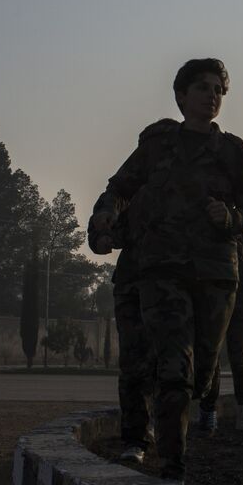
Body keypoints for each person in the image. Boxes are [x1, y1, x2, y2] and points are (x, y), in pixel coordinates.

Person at [94, 58, 243, 481]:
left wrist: (229, 217)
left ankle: (193, 403)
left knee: (202, 372)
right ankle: (168, 460)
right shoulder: (157, 145)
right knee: (171, 364)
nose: (212, 96)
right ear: (181, 96)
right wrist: (104, 215)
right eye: (202, 88)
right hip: (162, 270)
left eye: (218, 90)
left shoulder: (234, 152)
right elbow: (119, 187)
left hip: (217, 275)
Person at [87, 192, 149, 464]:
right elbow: (101, 223)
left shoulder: (186, 178)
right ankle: (135, 438)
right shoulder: (127, 187)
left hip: (176, 286)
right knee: (133, 364)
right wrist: (101, 238)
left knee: (169, 363)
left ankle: (164, 430)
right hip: (133, 285)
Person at [199, 224, 243, 431]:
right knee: (211, 356)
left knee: (238, 356)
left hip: (241, 300)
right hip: (210, 299)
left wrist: (230, 264)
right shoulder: (201, 219)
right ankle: (208, 412)